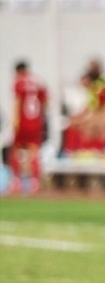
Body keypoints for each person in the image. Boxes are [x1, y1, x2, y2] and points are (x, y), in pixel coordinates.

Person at [9, 61, 48, 194]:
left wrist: (15, 121)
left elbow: (18, 102)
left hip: (23, 122)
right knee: (34, 152)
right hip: (36, 123)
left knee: (15, 151)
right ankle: (35, 183)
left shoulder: (19, 82)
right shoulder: (38, 82)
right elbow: (45, 103)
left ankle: (16, 182)